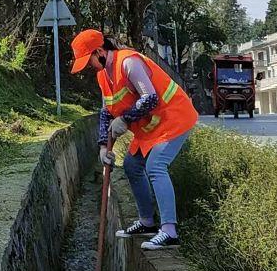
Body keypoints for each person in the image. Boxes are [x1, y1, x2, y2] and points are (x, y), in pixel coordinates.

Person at [69, 27, 198, 250]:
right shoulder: (103, 75)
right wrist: (102, 145)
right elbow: (106, 112)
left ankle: (169, 232)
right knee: (131, 165)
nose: (87, 66)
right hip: (150, 129)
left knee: (156, 166)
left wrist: (125, 120)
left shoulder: (129, 62)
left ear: (99, 51)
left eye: (88, 60)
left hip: (174, 118)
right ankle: (147, 222)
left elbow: (150, 98)